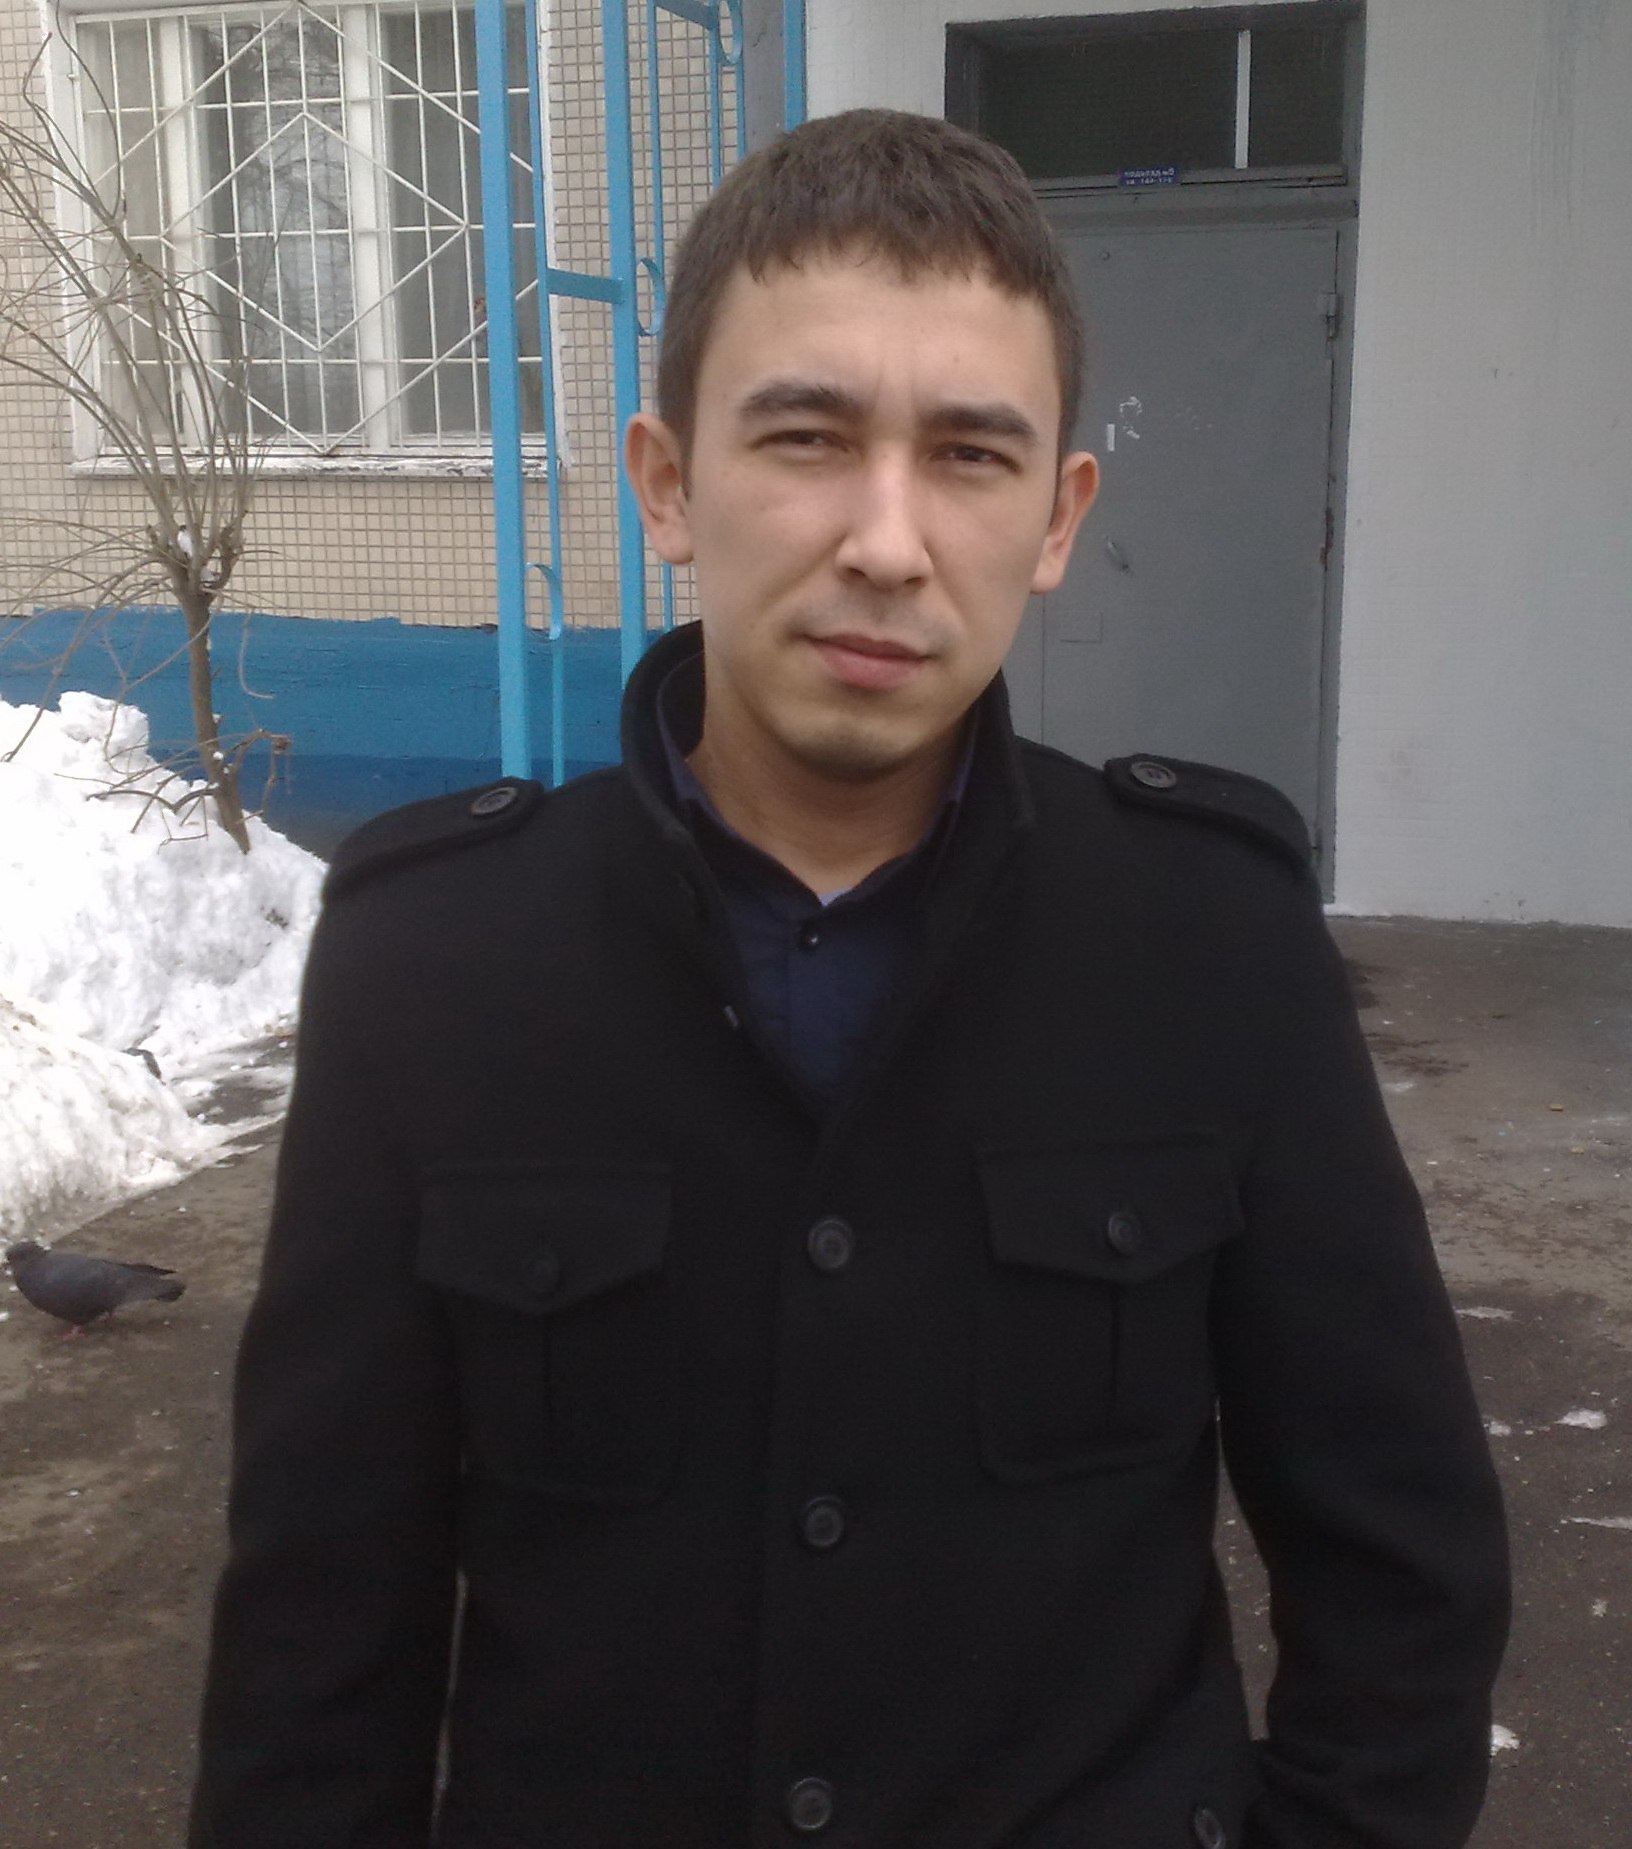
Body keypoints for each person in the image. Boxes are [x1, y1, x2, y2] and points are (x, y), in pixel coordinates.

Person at [189, 109, 1509, 1849]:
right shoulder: (439, 959)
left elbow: (1404, 1567)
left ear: (1058, 516)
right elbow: (315, 1640)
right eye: (808, 437)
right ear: (668, 481)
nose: (888, 540)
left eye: (970, 455)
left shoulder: (1209, 939)